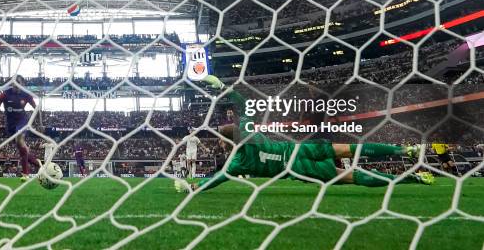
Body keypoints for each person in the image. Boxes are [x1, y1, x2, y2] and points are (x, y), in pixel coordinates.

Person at [175, 75, 433, 193]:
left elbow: (217, 179)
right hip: (301, 149)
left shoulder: (236, 162)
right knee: (350, 149)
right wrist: (223, 87)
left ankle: (415, 179)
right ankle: (405, 150)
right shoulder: (250, 130)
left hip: (299, 168)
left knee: (350, 176)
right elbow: (244, 103)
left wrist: (195, 187)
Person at [0, 75, 41, 182]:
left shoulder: (26, 94)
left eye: (19, 83)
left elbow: (37, 108)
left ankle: (26, 174)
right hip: (10, 125)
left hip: (22, 120)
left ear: (23, 85)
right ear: (12, 83)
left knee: (20, 139)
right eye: (15, 82)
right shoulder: (5, 94)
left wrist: (39, 123)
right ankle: (39, 164)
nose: (17, 85)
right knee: (22, 148)